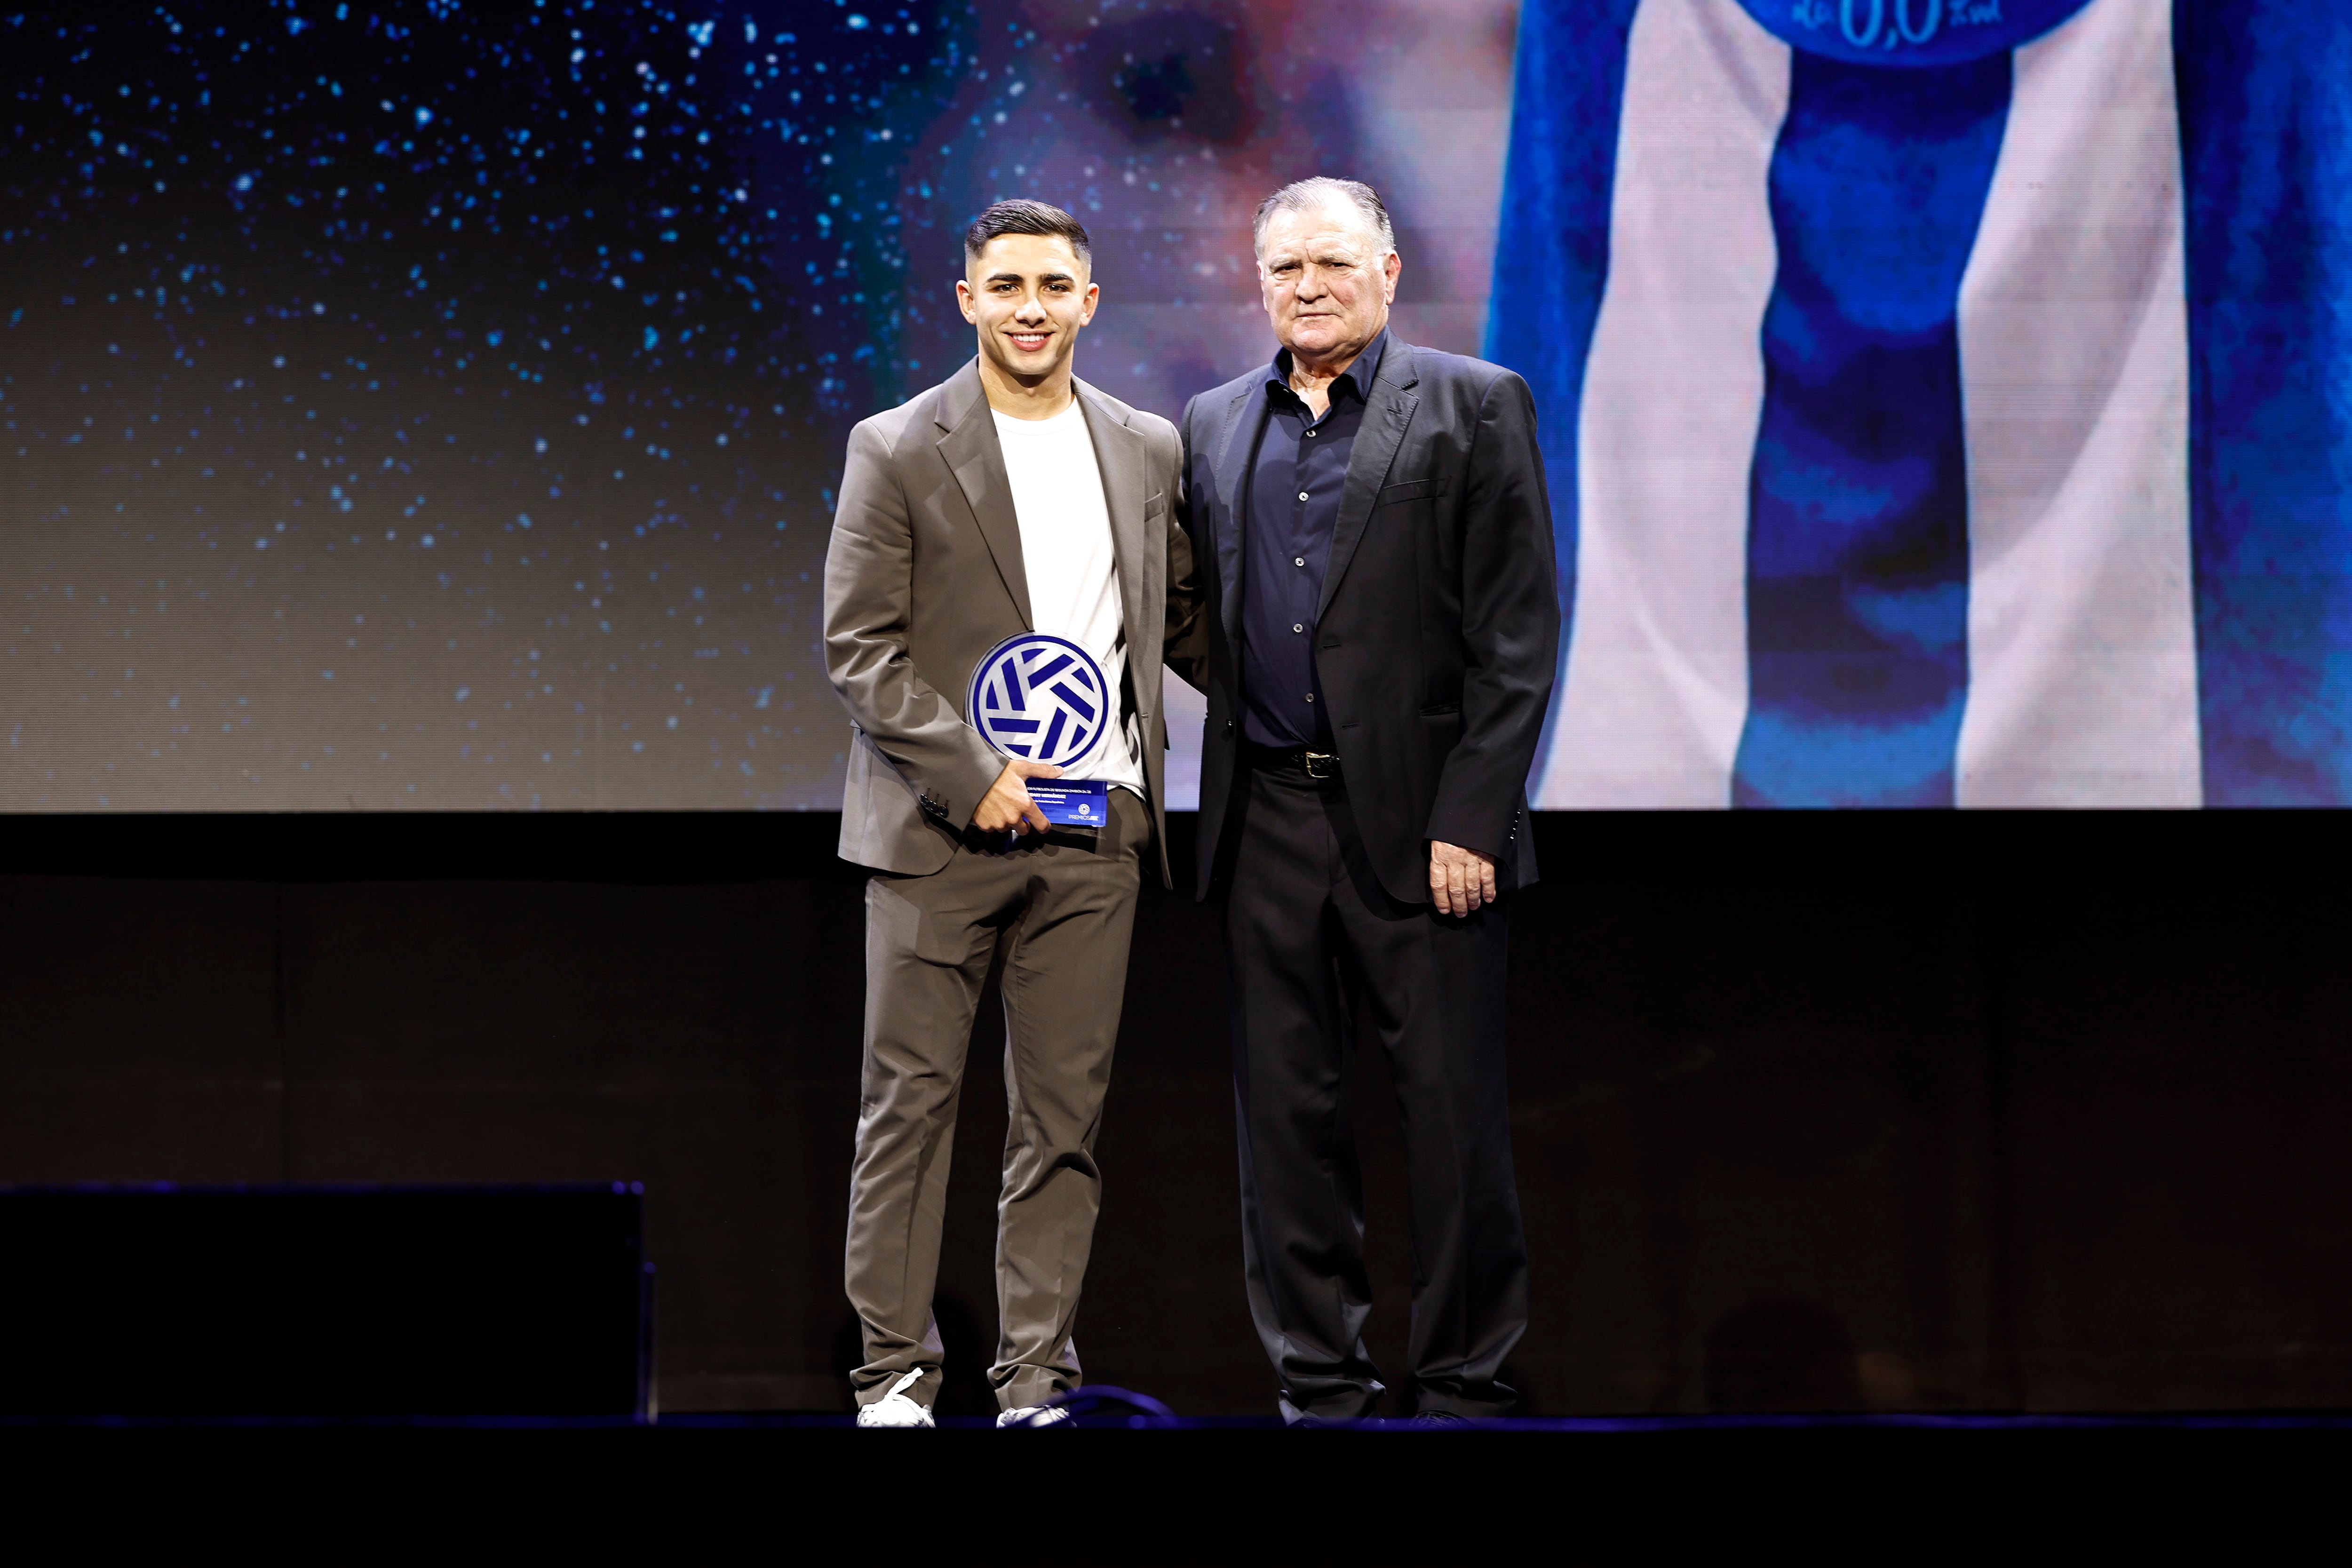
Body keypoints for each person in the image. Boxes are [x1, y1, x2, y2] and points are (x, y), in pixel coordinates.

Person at [1173, 177, 1559, 1423]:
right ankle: (1319, 1391)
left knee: (1452, 1130)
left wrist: (1473, 817)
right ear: (1262, 284)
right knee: (1287, 1135)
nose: (1310, 286)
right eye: (1286, 268)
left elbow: (1518, 636)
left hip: (1428, 830)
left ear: (1389, 272)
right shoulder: (1212, 422)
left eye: (1334, 263)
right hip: (1265, 825)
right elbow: (1201, 618)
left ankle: (1463, 1389)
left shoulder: (1474, 404)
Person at [824, 199, 1203, 1430]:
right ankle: (892, 1379)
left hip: (1097, 832)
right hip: (940, 835)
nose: (1031, 306)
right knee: (911, 1114)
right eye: (1008, 286)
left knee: (1062, 1125)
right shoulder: (896, 445)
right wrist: (968, 770)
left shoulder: (1146, 448)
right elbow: (861, 648)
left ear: (1089, 303)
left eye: (1054, 285)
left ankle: (1037, 1384)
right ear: (967, 299)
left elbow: (1185, 618)